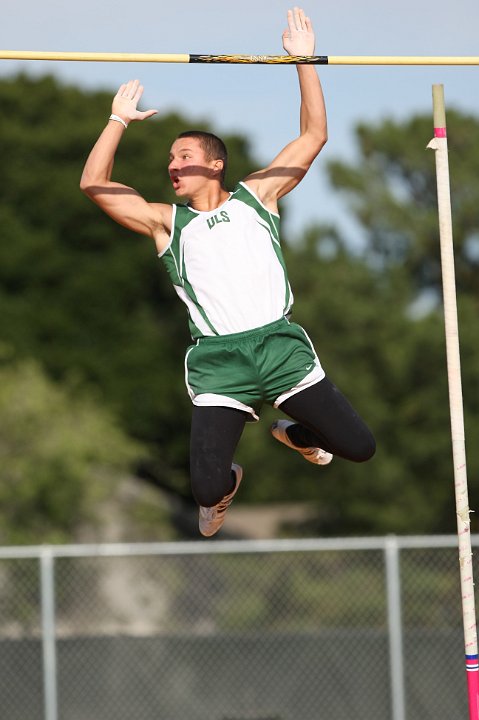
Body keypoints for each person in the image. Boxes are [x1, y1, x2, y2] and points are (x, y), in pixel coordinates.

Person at [80, 6, 376, 538]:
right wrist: (118, 119)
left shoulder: (258, 195)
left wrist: (304, 61)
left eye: (184, 156)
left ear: (215, 164)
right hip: (219, 363)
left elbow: (314, 135)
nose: (172, 166)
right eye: (169, 159)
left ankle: (298, 434)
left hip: (280, 348)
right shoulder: (166, 224)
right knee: (206, 489)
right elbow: (94, 185)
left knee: (358, 448)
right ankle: (226, 485)